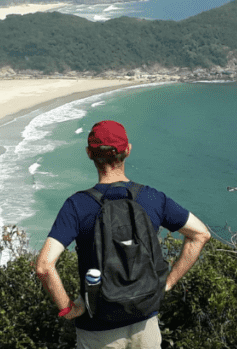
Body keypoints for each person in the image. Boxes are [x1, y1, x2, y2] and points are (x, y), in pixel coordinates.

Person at [36, 120, 211, 349]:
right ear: (127, 150)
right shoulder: (152, 198)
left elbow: (44, 266)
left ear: (89, 154)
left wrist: (68, 308)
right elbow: (200, 234)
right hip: (145, 322)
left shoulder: (77, 205)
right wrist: (167, 283)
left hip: (97, 330)